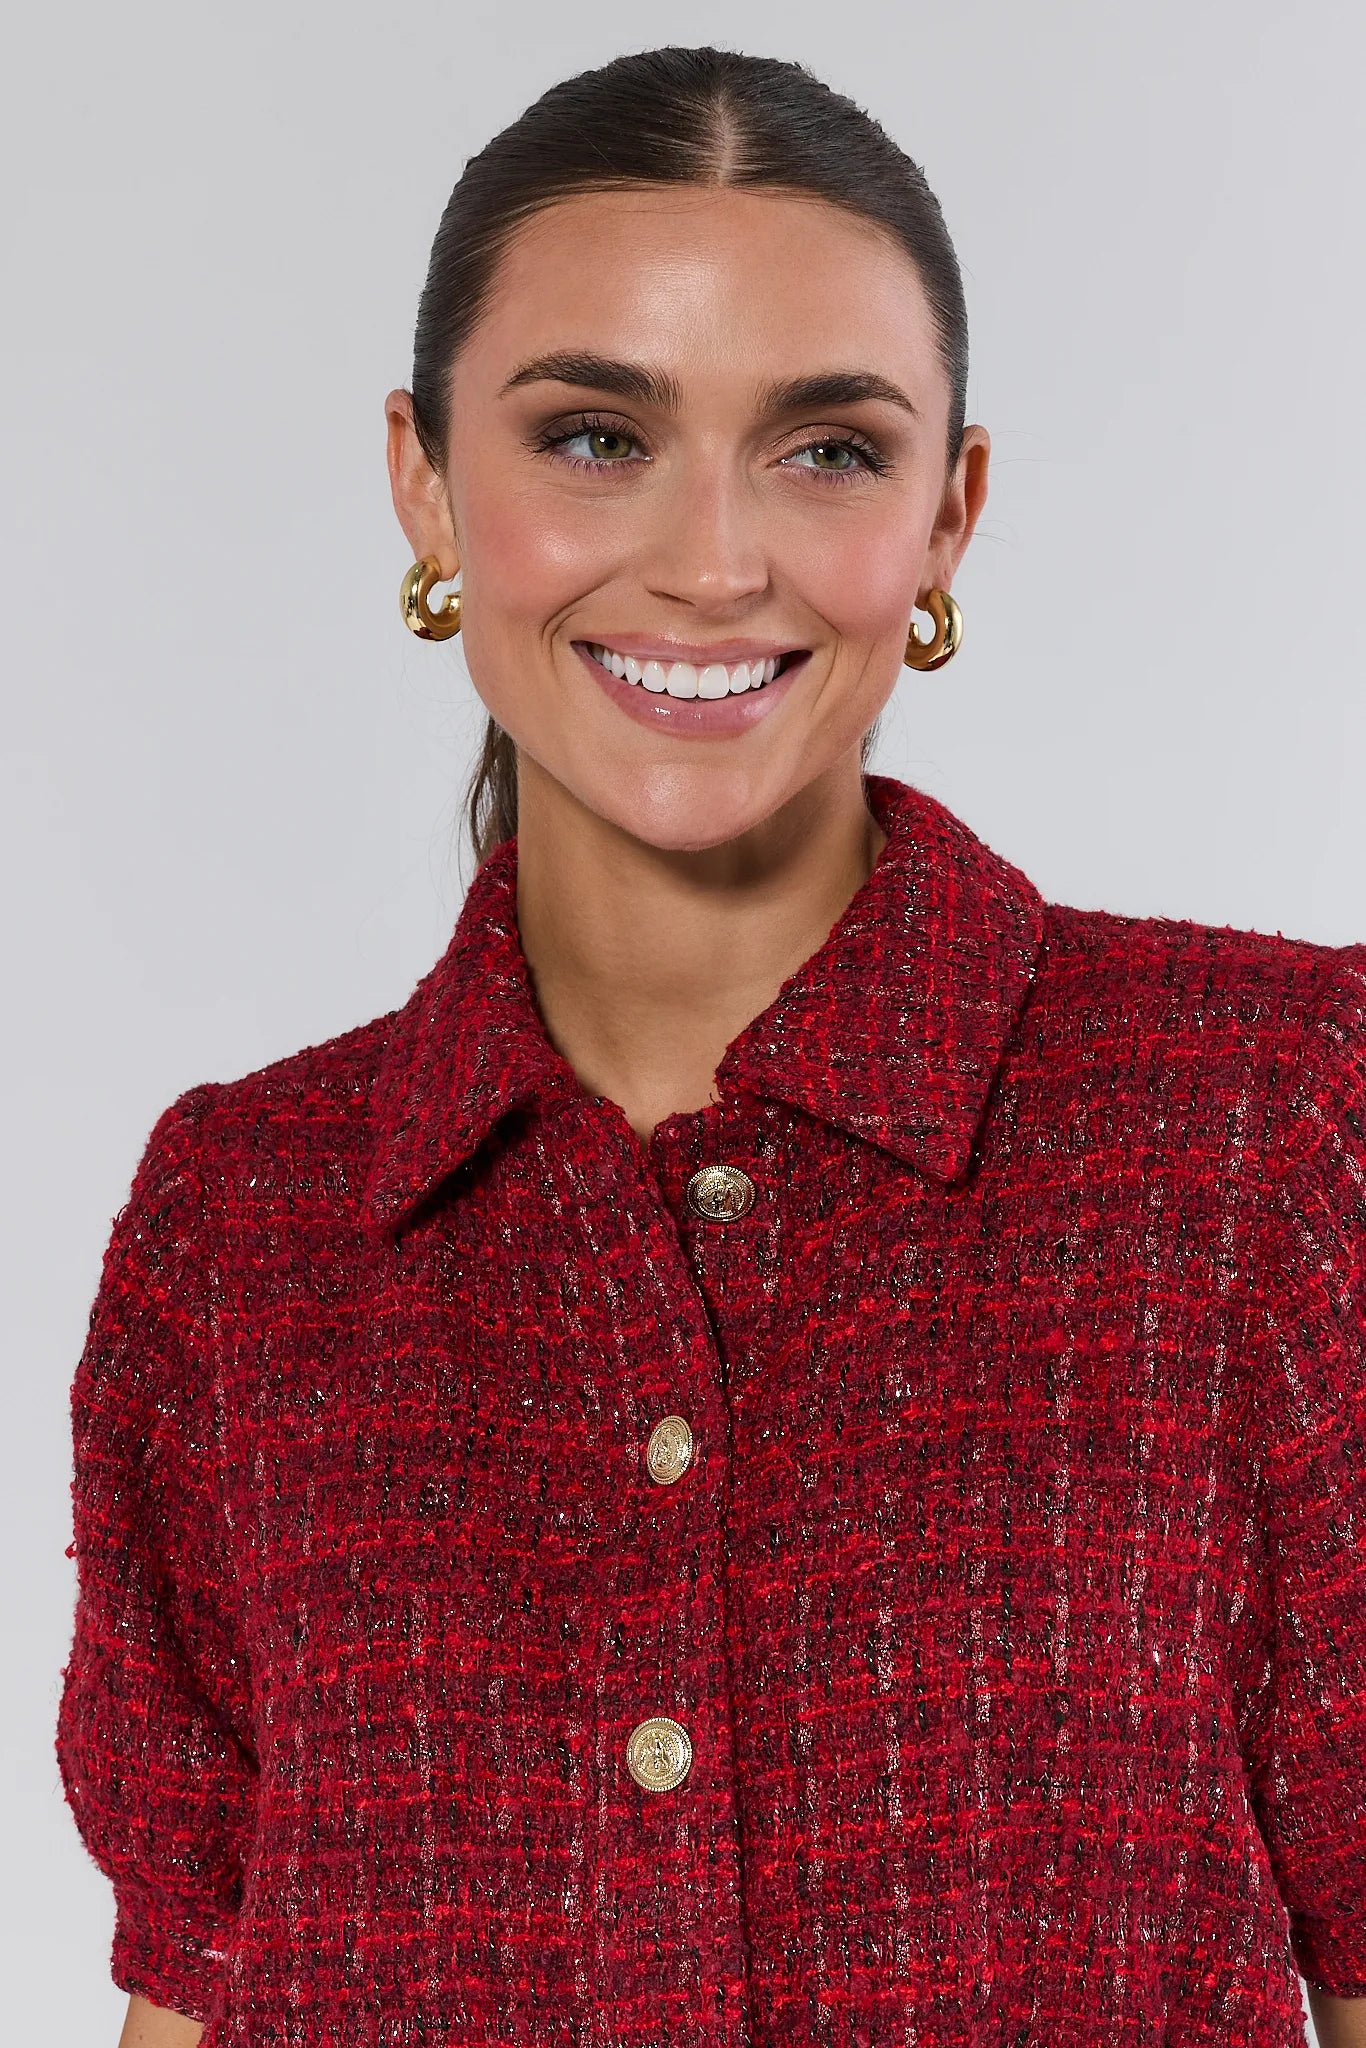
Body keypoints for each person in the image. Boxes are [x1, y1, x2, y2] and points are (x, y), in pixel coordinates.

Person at [54, 43, 1366, 2048]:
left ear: (949, 509)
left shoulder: (1270, 1120)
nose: (711, 560)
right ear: (422, 476)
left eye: (824, 450)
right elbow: (195, 1983)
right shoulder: (238, 1221)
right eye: (594, 434)